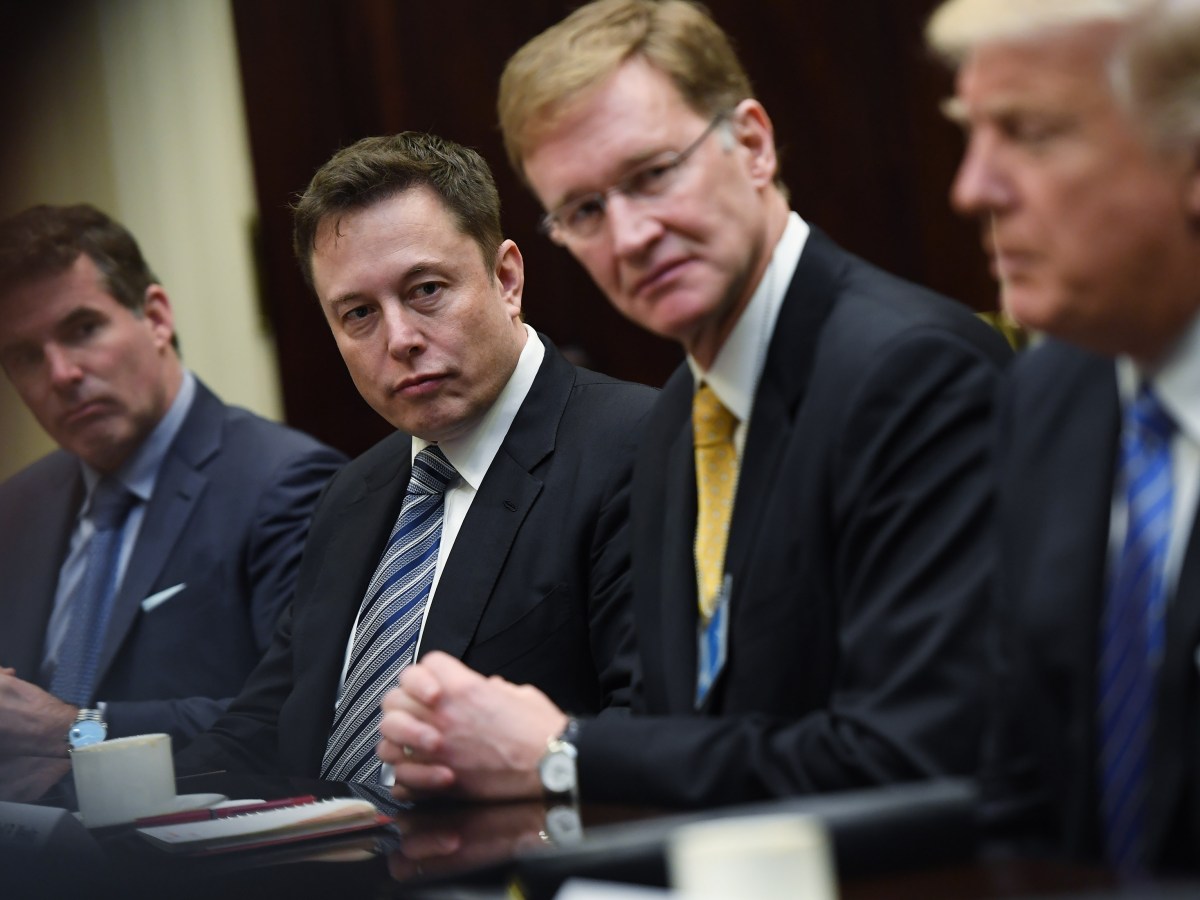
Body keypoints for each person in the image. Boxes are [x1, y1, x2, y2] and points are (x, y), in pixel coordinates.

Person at [377, 0, 1012, 810]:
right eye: (585, 211)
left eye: (653, 175)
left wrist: (563, 754)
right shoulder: (679, 417)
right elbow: (689, 722)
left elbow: (916, 756)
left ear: (752, 144)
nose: (631, 236)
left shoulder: (913, 370)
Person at [174, 132, 655, 791]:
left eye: (426, 290)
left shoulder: (639, 445)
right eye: (359, 313)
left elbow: (650, 733)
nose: (399, 339)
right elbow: (265, 725)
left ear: (506, 279)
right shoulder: (352, 492)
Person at [927, 0, 1200, 874]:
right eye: (972, 133)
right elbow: (1022, 793)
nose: (973, 189)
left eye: (1030, 134)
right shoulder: (1049, 395)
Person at [0, 204, 345, 800]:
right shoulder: (17, 508)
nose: (61, 373)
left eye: (83, 329)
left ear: (156, 317)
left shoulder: (285, 482)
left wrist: (76, 731)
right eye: (27, 356)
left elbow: (302, 719)